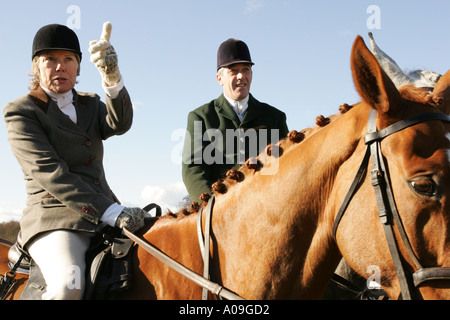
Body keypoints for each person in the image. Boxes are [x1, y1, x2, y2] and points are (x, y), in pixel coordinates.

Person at [3, 22, 148, 300]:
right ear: (37, 67)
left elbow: (120, 123)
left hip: (106, 208)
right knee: (68, 288)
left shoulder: (90, 103)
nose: (60, 67)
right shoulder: (20, 111)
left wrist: (111, 75)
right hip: (54, 218)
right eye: (51, 60)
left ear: (79, 67)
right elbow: (50, 172)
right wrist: (110, 211)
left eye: (68, 59)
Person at [182, 38, 289, 202]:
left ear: (251, 74)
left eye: (246, 69)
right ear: (219, 78)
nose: (241, 76)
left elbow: (285, 165)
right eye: (233, 71)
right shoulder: (200, 117)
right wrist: (212, 207)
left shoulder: (275, 117)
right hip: (220, 210)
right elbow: (193, 169)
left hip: (266, 206)